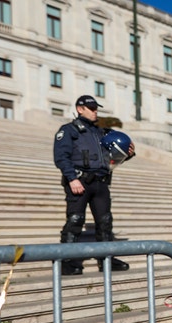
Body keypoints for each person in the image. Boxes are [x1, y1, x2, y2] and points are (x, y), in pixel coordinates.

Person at [54, 95, 135, 276]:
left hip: (100, 182)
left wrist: (129, 153)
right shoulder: (68, 131)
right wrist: (72, 178)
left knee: (105, 222)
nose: (95, 111)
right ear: (80, 109)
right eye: (91, 108)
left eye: (96, 108)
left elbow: (113, 155)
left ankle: (106, 259)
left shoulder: (101, 132)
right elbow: (61, 157)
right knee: (75, 220)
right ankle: (67, 261)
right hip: (79, 181)